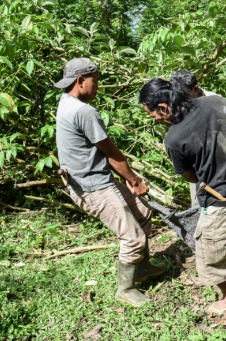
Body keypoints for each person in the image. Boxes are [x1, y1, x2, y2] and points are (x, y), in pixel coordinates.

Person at [139, 78, 226, 314]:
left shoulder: (173, 139)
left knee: (208, 255)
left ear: (163, 107)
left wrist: (216, 164)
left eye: (153, 115)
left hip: (220, 203)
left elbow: (190, 178)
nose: (156, 120)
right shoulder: (214, 102)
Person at [54, 58, 166, 308]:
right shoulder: (84, 111)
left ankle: (143, 267)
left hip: (96, 179)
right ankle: (125, 289)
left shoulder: (65, 103)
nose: (97, 86)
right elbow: (112, 153)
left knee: (143, 214)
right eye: (95, 81)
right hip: (93, 187)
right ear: (81, 80)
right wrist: (134, 180)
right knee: (133, 238)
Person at [170, 70, 218, 207]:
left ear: (195, 89)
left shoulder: (214, 100)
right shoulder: (177, 104)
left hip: (219, 160)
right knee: (199, 204)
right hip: (196, 164)